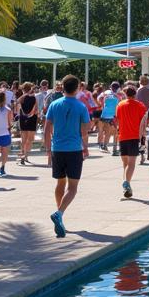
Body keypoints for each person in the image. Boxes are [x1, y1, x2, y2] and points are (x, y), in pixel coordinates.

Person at [43, 75, 90, 237]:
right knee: (73, 187)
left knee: (60, 182)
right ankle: (60, 213)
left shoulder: (54, 105)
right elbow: (85, 130)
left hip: (58, 149)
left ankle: (60, 214)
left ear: (63, 87)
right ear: (77, 88)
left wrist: (48, 149)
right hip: (74, 149)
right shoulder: (81, 106)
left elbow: (47, 127)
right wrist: (86, 147)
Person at [115, 84, 146, 197]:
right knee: (131, 163)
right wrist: (143, 136)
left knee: (125, 163)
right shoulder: (140, 105)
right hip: (134, 136)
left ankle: (126, 186)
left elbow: (117, 119)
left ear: (125, 94)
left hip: (123, 136)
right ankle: (126, 182)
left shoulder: (120, 105)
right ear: (135, 94)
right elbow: (143, 122)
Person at [17, 82, 39, 165]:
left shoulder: (22, 98)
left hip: (23, 118)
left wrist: (25, 94)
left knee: (24, 138)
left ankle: (23, 155)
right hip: (32, 118)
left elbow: (17, 102)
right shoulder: (34, 97)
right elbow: (36, 109)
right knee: (30, 139)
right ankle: (25, 155)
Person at [99, 81, 121, 153]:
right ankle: (114, 149)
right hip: (114, 115)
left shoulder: (106, 93)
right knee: (115, 132)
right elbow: (120, 103)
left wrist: (103, 105)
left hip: (105, 114)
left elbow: (99, 98)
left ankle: (105, 146)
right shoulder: (119, 95)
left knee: (107, 131)